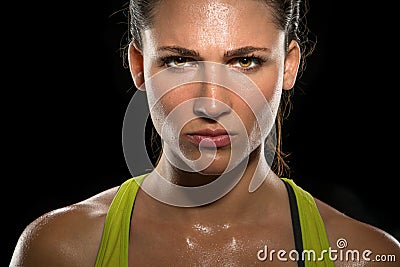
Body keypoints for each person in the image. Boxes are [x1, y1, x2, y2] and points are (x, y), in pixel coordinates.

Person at [10, 0, 400, 266]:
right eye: (179, 60)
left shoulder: (364, 256)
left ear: (289, 66)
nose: (212, 103)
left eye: (245, 61)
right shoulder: (60, 250)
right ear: (139, 65)